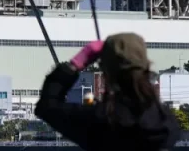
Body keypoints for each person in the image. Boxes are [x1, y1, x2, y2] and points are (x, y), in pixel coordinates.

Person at [34, 32, 180, 151]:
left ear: (107, 72)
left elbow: (47, 106)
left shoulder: (99, 120)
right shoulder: (166, 122)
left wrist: (77, 62)